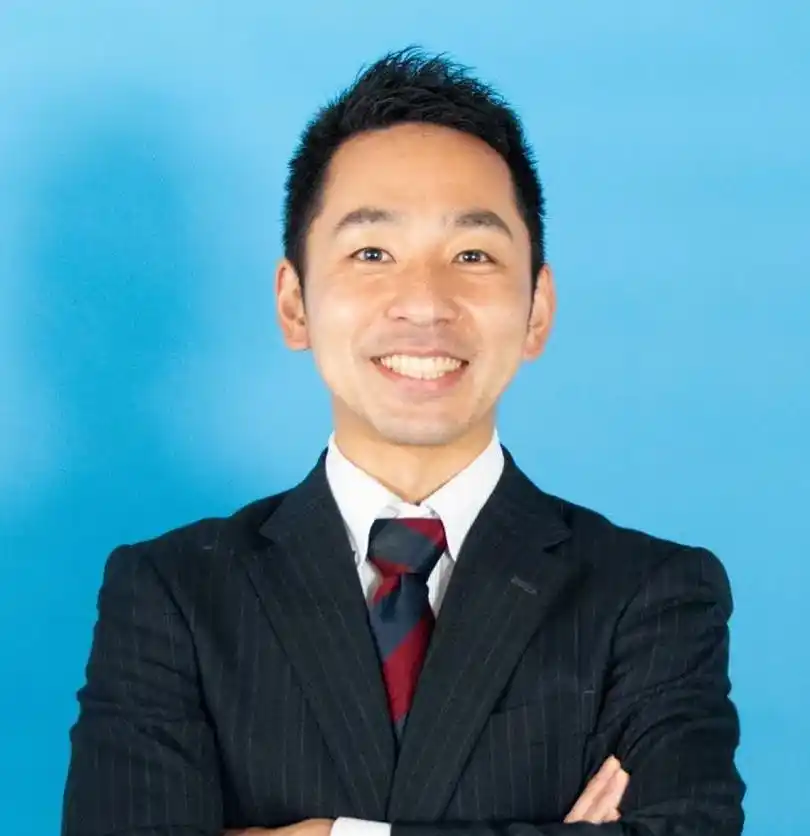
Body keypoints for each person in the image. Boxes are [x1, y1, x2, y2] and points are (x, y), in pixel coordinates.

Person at [61, 47, 745, 836]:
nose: (424, 302)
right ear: (294, 303)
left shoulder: (648, 596)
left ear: (537, 310)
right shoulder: (174, 594)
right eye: (372, 253)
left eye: (473, 255)